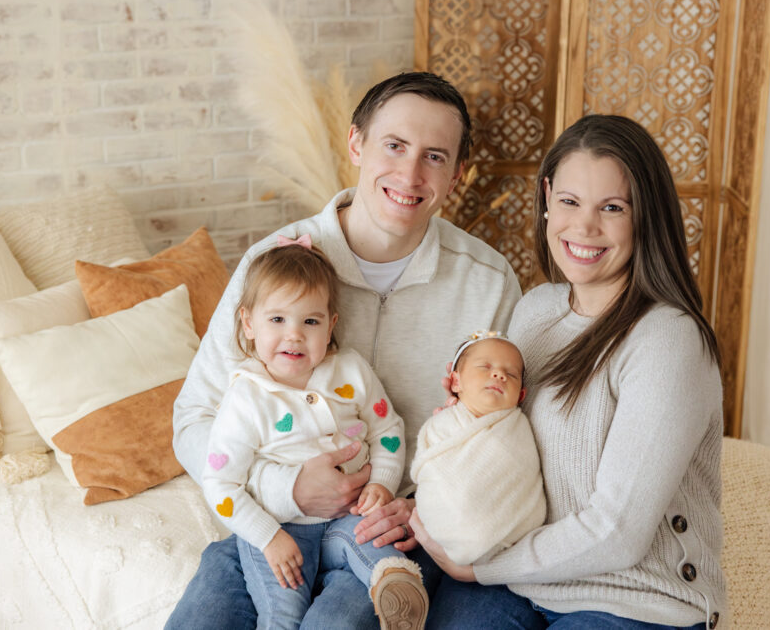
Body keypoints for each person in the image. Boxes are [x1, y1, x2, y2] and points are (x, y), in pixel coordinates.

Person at [168, 71, 522, 629]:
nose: (409, 173)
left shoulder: (488, 282)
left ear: (458, 173)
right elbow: (193, 417)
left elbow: (507, 433)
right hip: (271, 527)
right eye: (394, 145)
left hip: (388, 534)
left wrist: (425, 508)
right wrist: (285, 490)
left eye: (434, 156)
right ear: (356, 143)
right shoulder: (276, 265)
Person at [411, 114, 727, 630]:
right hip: (522, 582)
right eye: (570, 202)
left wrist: (482, 567)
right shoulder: (536, 311)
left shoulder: (667, 339)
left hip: (634, 597)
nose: (584, 228)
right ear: (546, 196)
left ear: (645, 216)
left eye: (612, 208)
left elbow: (619, 531)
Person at [202, 238, 426, 629]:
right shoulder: (246, 399)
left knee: (378, 546)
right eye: (277, 320)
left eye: (310, 321)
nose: (294, 335)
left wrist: (383, 483)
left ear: (330, 325)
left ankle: (400, 594)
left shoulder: (350, 371)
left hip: (348, 517)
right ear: (248, 322)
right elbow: (220, 486)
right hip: (280, 529)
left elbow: (388, 429)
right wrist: (267, 537)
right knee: (283, 612)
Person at [410, 330, 545, 567]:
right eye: (485, 367)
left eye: (511, 374)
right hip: (441, 531)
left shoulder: (517, 430)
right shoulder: (441, 424)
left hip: (509, 541)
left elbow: (522, 473)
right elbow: (429, 470)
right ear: (455, 381)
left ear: (521, 395)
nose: (499, 374)